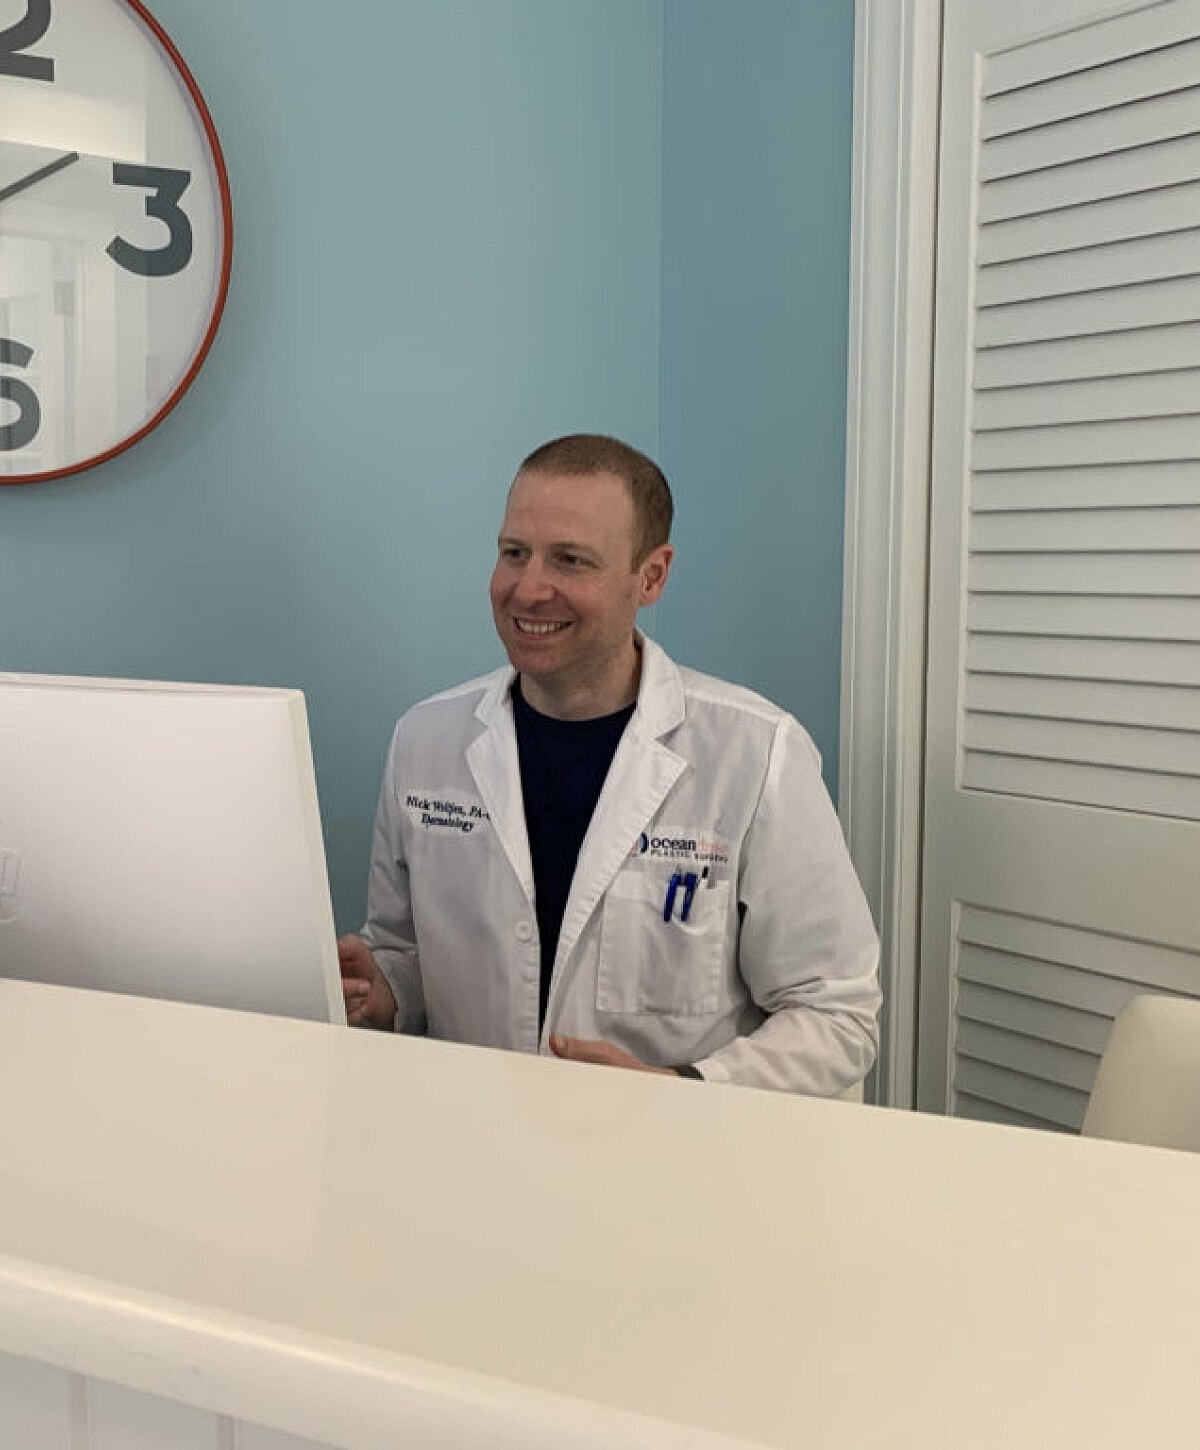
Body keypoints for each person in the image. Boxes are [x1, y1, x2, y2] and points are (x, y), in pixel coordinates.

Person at [339, 434, 880, 1094]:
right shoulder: (425, 741)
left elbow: (837, 1013)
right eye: (514, 553)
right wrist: (382, 990)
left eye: (570, 560)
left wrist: (678, 1087)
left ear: (650, 576)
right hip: (477, 1127)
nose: (528, 589)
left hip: (674, 1146)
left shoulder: (757, 753)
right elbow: (407, 954)